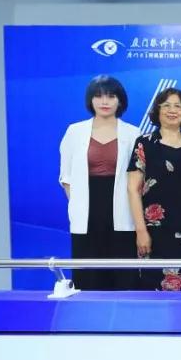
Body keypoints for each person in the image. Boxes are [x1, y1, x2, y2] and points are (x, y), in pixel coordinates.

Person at [58, 75, 139, 291]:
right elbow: (66, 177)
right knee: (88, 277)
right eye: (99, 96)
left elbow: (138, 179)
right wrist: (78, 205)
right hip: (87, 213)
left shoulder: (133, 133)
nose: (105, 101)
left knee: (124, 277)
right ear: (90, 100)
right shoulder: (75, 131)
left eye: (111, 96)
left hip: (122, 211)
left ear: (120, 101)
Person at [127, 87, 181, 291]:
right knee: (152, 290)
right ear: (157, 110)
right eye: (166, 105)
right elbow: (133, 189)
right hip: (153, 231)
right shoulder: (144, 143)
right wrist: (141, 231)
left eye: (178, 106)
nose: (172, 110)